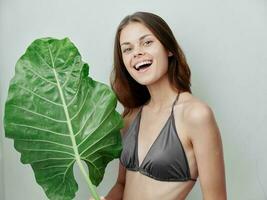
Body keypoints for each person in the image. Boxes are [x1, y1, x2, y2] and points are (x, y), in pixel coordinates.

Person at [91, 11, 227, 200]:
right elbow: (122, 185)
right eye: (127, 49)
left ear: (168, 48)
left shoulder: (195, 115)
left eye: (147, 42)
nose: (137, 52)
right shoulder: (130, 116)